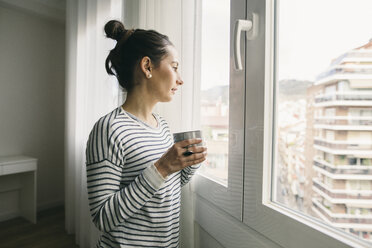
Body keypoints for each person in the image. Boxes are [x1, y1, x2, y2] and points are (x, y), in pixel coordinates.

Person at [85, 20, 207, 248]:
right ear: (147, 66)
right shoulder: (108, 129)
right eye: (174, 66)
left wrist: (189, 163)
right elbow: (102, 217)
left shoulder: (161, 125)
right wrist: (162, 167)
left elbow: (164, 189)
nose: (180, 79)